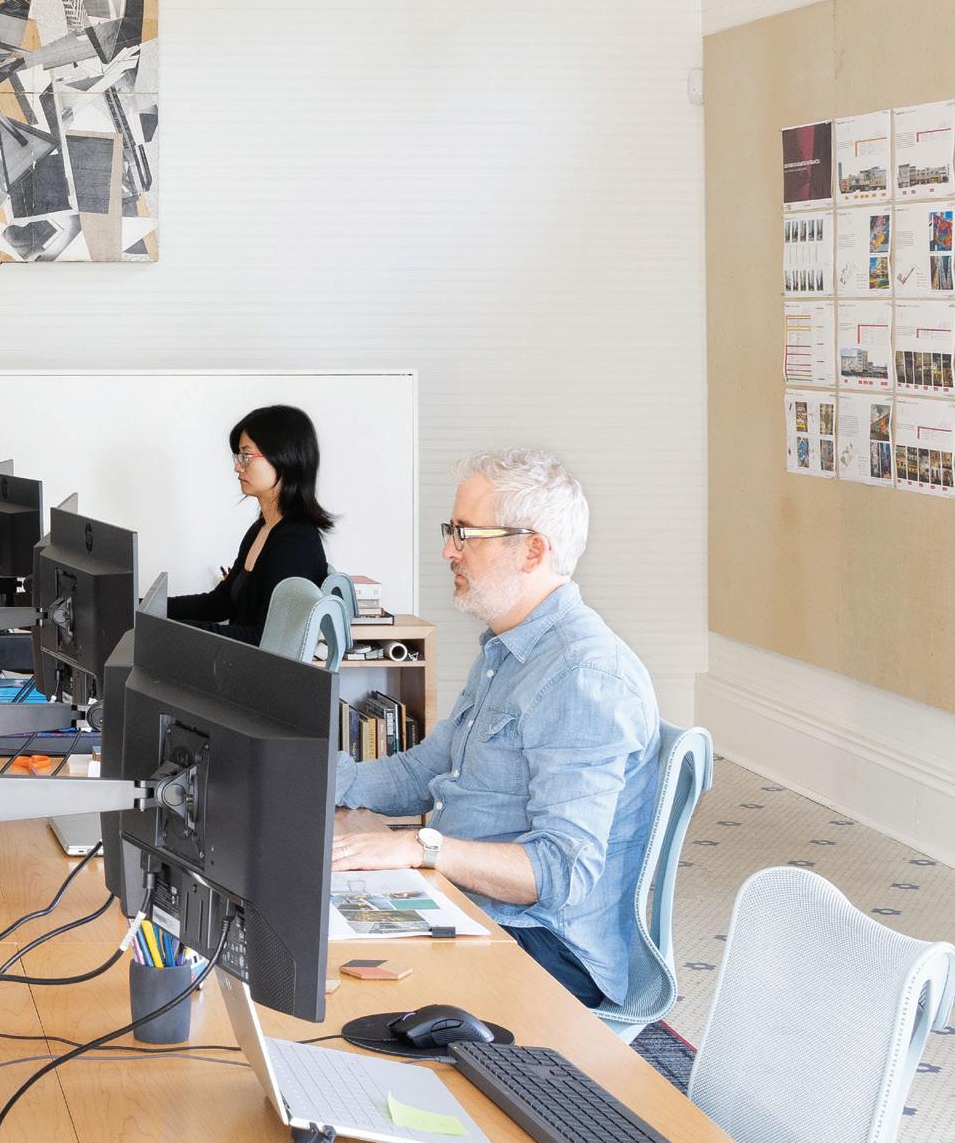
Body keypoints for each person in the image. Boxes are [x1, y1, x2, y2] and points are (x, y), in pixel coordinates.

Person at [331, 449, 659, 1010]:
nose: (448, 551)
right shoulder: (506, 649)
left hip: (545, 945)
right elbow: (421, 771)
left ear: (532, 550)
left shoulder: (583, 676)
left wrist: (418, 848)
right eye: (450, 531)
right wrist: (304, 780)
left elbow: (561, 871)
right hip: (469, 901)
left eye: (465, 534)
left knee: (325, 962)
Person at [167, 405, 333, 648]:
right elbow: (218, 604)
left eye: (246, 456)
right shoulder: (262, 529)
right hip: (237, 660)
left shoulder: (295, 543)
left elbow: (263, 640)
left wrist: (168, 630)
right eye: (238, 457)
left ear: (284, 459)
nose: (238, 466)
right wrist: (146, 607)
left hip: (253, 666)